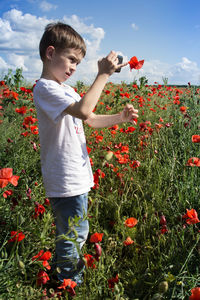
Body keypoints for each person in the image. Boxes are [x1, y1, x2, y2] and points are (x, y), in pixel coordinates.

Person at [33, 22, 138, 285]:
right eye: (71, 59)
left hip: (76, 177)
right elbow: (83, 111)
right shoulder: (46, 88)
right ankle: (69, 283)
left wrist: (120, 118)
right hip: (65, 179)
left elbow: (89, 118)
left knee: (73, 232)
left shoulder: (65, 89)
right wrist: (103, 74)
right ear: (50, 53)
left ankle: (58, 275)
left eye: (78, 64)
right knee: (74, 234)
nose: (73, 68)